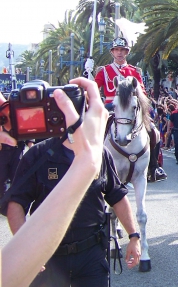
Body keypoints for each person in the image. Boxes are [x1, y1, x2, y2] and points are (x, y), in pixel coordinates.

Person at [4, 77, 142, 287]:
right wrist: (27, 251)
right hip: (48, 255)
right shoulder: (36, 155)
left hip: (91, 255)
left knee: (150, 135)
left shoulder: (100, 154)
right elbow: (16, 204)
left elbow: (117, 194)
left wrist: (134, 236)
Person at [95, 37, 166, 182]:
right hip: (111, 106)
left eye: (122, 50)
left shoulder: (134, 71)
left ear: (127, 52)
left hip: (131, 109)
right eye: (116, 50)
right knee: (94, 131)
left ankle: (154, 167)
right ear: (112, 52)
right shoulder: (105, 71)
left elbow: (143, 93)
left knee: (154, 132)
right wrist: (89, 76)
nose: (119, 53)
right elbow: (95, 88)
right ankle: (95, 164)